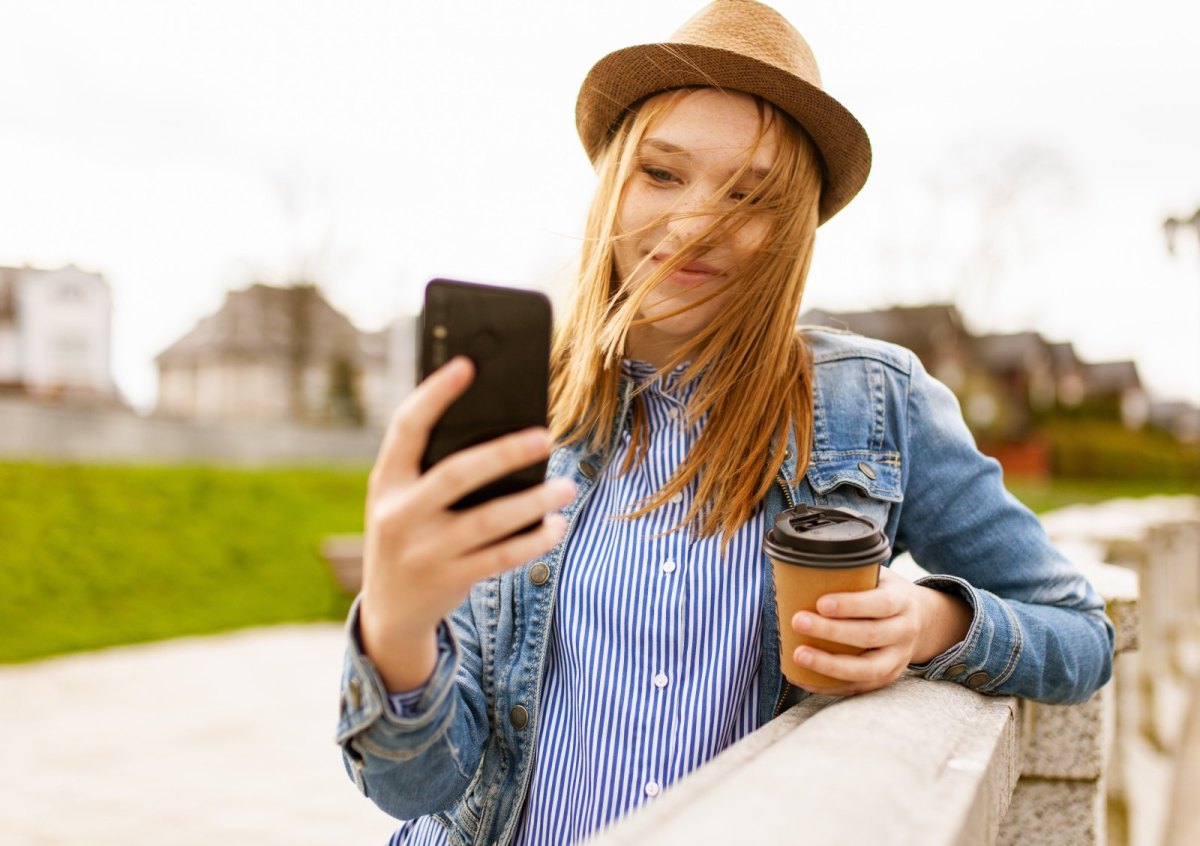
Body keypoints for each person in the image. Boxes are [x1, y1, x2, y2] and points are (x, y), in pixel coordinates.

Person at [335, 2, 1115, 844]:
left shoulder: (875, 403)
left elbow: (1082, 637)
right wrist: (399, 626)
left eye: (750, 194)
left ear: (794, 229)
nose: (694, 225)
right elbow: (414, 787)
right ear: (613, 181)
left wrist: (934, 623)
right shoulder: (517, 409)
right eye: (663, 174)